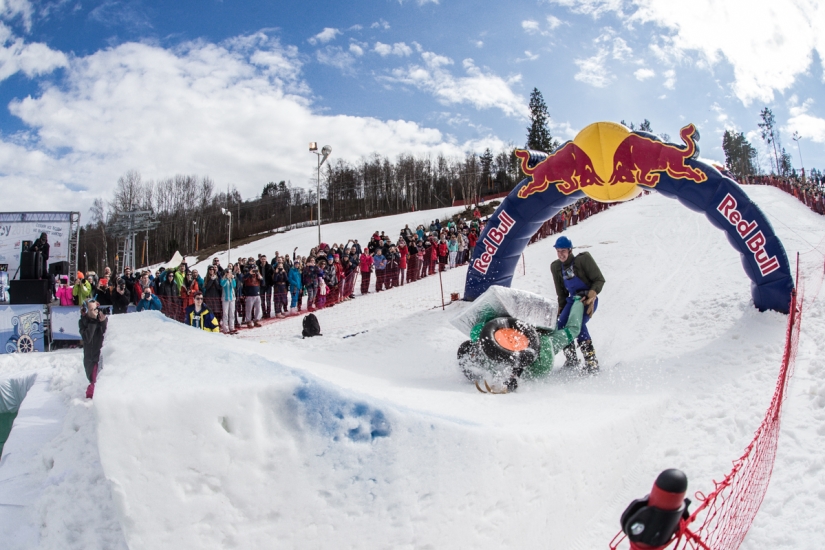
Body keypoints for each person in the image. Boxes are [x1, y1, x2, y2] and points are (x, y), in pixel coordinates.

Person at [550, 236, 605, 373]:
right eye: (558, 251)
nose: (561, 254)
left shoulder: (582, 260)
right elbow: (561, 292)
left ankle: (591, 360)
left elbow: (599, 279)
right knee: (561, 324)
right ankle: (571, 359)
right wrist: (561, 308)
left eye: (563, 251)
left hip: (586, 299)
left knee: (577, 324)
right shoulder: (557, 267)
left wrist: (592, 294)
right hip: (572, 300)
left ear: (570, 250)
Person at [79, 298, 107, 399]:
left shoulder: (101, 318)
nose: (95, 311)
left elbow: (106, 333)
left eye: (95, 308)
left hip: (102, 356)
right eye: (91, 310)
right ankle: (89, 400)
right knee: (95, 381)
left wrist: (103, 321)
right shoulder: (83, 322)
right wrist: (93, 322)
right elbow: (87, 338)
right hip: (91, 358)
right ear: (86, 311)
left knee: (102, 380)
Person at [220, 265, 238, 334]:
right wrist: (227, 278)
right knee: (225, 313)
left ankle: (232, 327)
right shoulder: (223, 279)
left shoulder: (231, 279)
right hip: (225, 298)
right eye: (228, 272)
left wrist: (232, 279)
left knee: (232, 313)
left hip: (232, 298)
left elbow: (234, 285)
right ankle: (225, 328)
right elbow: (222, 285)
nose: (229, 273)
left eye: (230, 272)